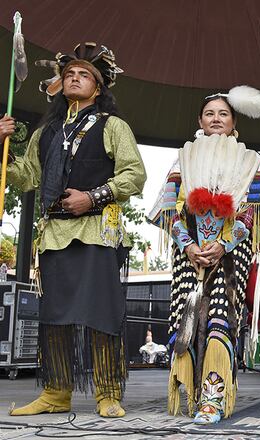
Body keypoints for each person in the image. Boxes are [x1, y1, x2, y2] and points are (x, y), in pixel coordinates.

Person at [2, 43, 145, 418]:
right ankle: (56, 392)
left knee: (101, 314)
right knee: (55, 317)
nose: (74, 78)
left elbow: (134, 175)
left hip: (97, 231)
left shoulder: (114, 126)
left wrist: (92, 197)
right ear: (61, 85)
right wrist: (3, 148)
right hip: (53, 234)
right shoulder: (45, 132)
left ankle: (108, 393)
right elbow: (26, 177)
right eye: (69, 74)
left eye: (83, 74)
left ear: (98, 87)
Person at [147, 86, 260, 424]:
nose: (216, 119)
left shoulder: (250, 159)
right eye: (210, 113)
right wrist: (188, 244)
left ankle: (213, 397)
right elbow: (169, 208)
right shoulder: (183, 158)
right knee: (189, 320)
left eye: (223, 114)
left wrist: (226, 242)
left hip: (231, 254)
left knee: (220, 321)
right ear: (200, 120)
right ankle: (193, 392)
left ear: (234, 121)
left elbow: (259, 208)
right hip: (189, 254)